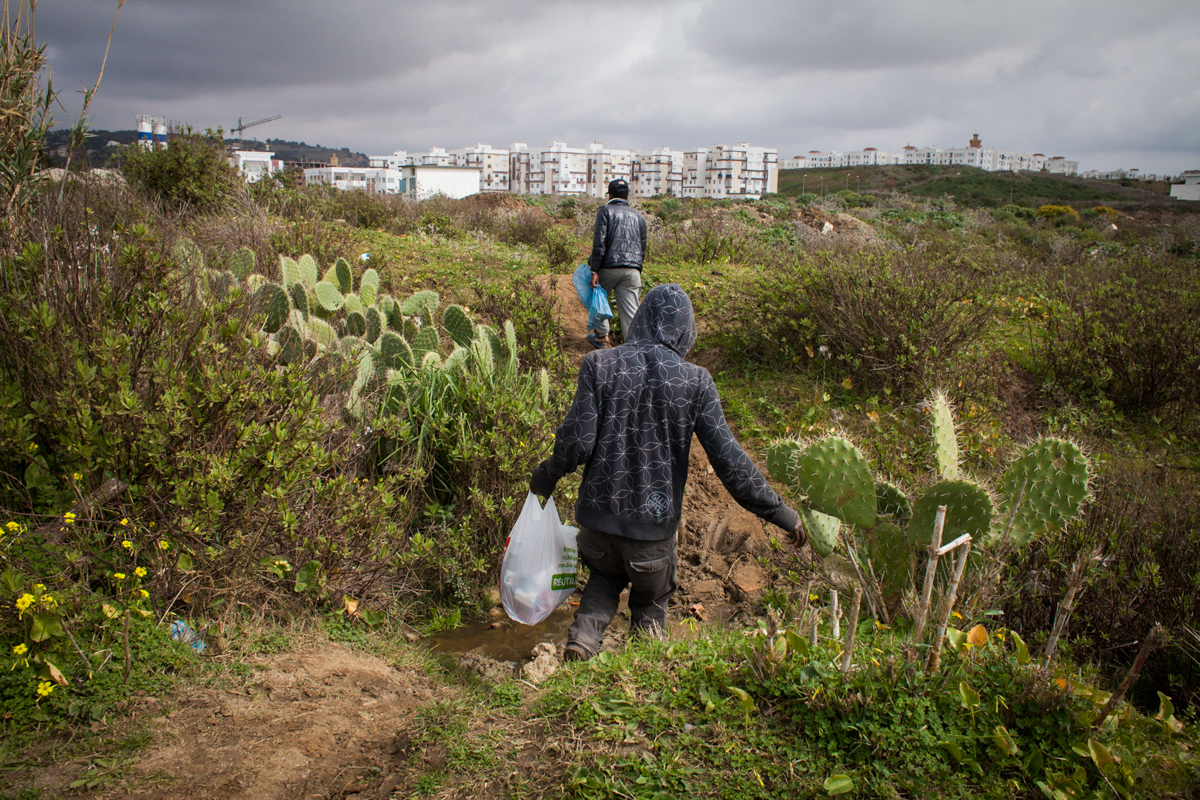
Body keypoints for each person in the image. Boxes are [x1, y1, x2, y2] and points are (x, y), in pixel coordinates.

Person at [530, 283, 807, 661]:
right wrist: (781, 513)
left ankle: (581, 642)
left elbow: (576, 442)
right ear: (686, 330)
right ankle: (645, 672)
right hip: (652, 532)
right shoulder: (695, 382)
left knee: (603, 579)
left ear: (641, 318)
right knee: (650, 600)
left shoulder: (599, 364)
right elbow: (729, 460)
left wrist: (544, 478)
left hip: (598, 525)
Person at [586, 178, 647, 349]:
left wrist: (594, 270)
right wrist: (636, 268)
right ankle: (633, 349)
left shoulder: (605, 211)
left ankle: (601, 336)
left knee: (597, 294)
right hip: (633, 270)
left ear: (610, 195)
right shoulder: (639, 217)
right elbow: (642, 248)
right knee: (631, 312)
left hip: (609, 267)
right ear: (627, 195)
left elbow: (599, 243)